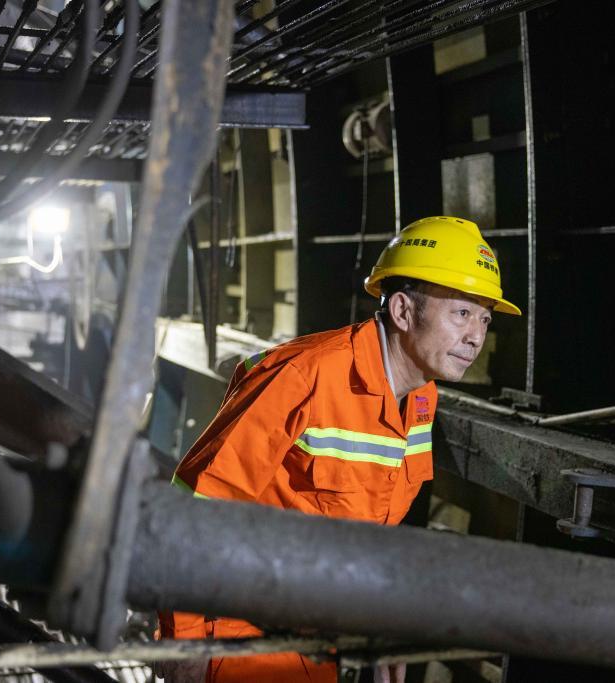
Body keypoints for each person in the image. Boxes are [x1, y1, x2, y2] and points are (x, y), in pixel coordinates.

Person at [158, 216, 521, 683]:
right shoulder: (303, 377)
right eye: (462, 313)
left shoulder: (422, 399)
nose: (476, 336)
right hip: (240, 641)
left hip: (316, 647)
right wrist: (185, 643)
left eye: (485, 318)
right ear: (403, 311)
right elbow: (194, 506)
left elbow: (372, 525)